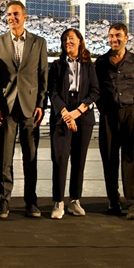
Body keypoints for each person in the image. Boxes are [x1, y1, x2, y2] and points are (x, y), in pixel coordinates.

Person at [0, 0, 48, 219]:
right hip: (6, 108)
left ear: (25, 17)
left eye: (16, 14)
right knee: (5, 158)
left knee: (30, 158)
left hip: (31, 108)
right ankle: (4, 201)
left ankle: (31, 202)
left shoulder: (39, 43)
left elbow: (43, 75)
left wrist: (41, 104)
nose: (12, 18)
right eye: (9, 15)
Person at [95, 22, 134, 221]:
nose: (114, 39)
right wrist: (104, 109)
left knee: (133, 160)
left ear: (127, 37)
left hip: (131, 114)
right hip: (108, 114)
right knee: (109, 159)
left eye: (118, 35)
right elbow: (97, 90)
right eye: (110, 36)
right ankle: (113, 200)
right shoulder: (101, 62)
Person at [47, 29, 100, 219]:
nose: (67, 41)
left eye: (71, 38)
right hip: (62, 115)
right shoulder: (56, 65)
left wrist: (77, 112)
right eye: (65, 39)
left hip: (83, 116)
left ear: (80, 42)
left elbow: (95, 92)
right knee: (60, 159)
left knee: (79, 160)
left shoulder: (89, 66)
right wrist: (65, 114)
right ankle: (58, 201)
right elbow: (52, 92)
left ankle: (75, 200)